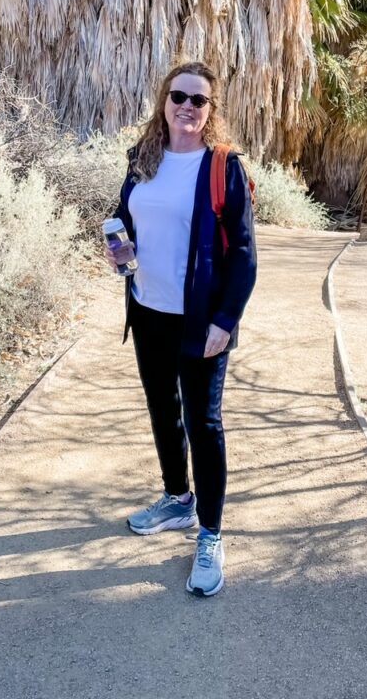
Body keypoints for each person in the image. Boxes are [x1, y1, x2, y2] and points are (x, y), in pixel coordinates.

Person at [105, 60, 257, 597]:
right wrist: (120, 250)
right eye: (179, 96)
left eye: (199, 100)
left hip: (201, 322)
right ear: (163, 102)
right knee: (162, 411)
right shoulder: (142, 160)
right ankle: (177, 499)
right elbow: (125, 219)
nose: (187, 107)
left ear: (211, 110)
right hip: (147, 310)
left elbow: (242, 254)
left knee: (203, 422)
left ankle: (211, 533)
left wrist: (225, 320)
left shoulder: (222, 168)